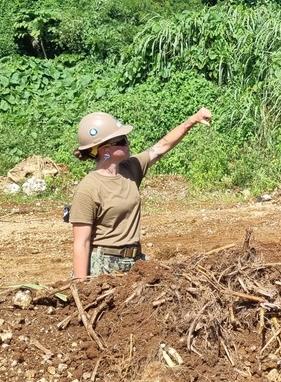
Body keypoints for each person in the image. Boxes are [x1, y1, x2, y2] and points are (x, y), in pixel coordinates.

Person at [69, 108, 212, 278]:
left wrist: (192, 120)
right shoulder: (88, 189)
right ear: (104, 150)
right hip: (104, 268)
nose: (128, 143)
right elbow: (81, 244)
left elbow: (162, 145)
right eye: (122, 140)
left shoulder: (130, 169)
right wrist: (82, 288)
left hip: (135, 261)